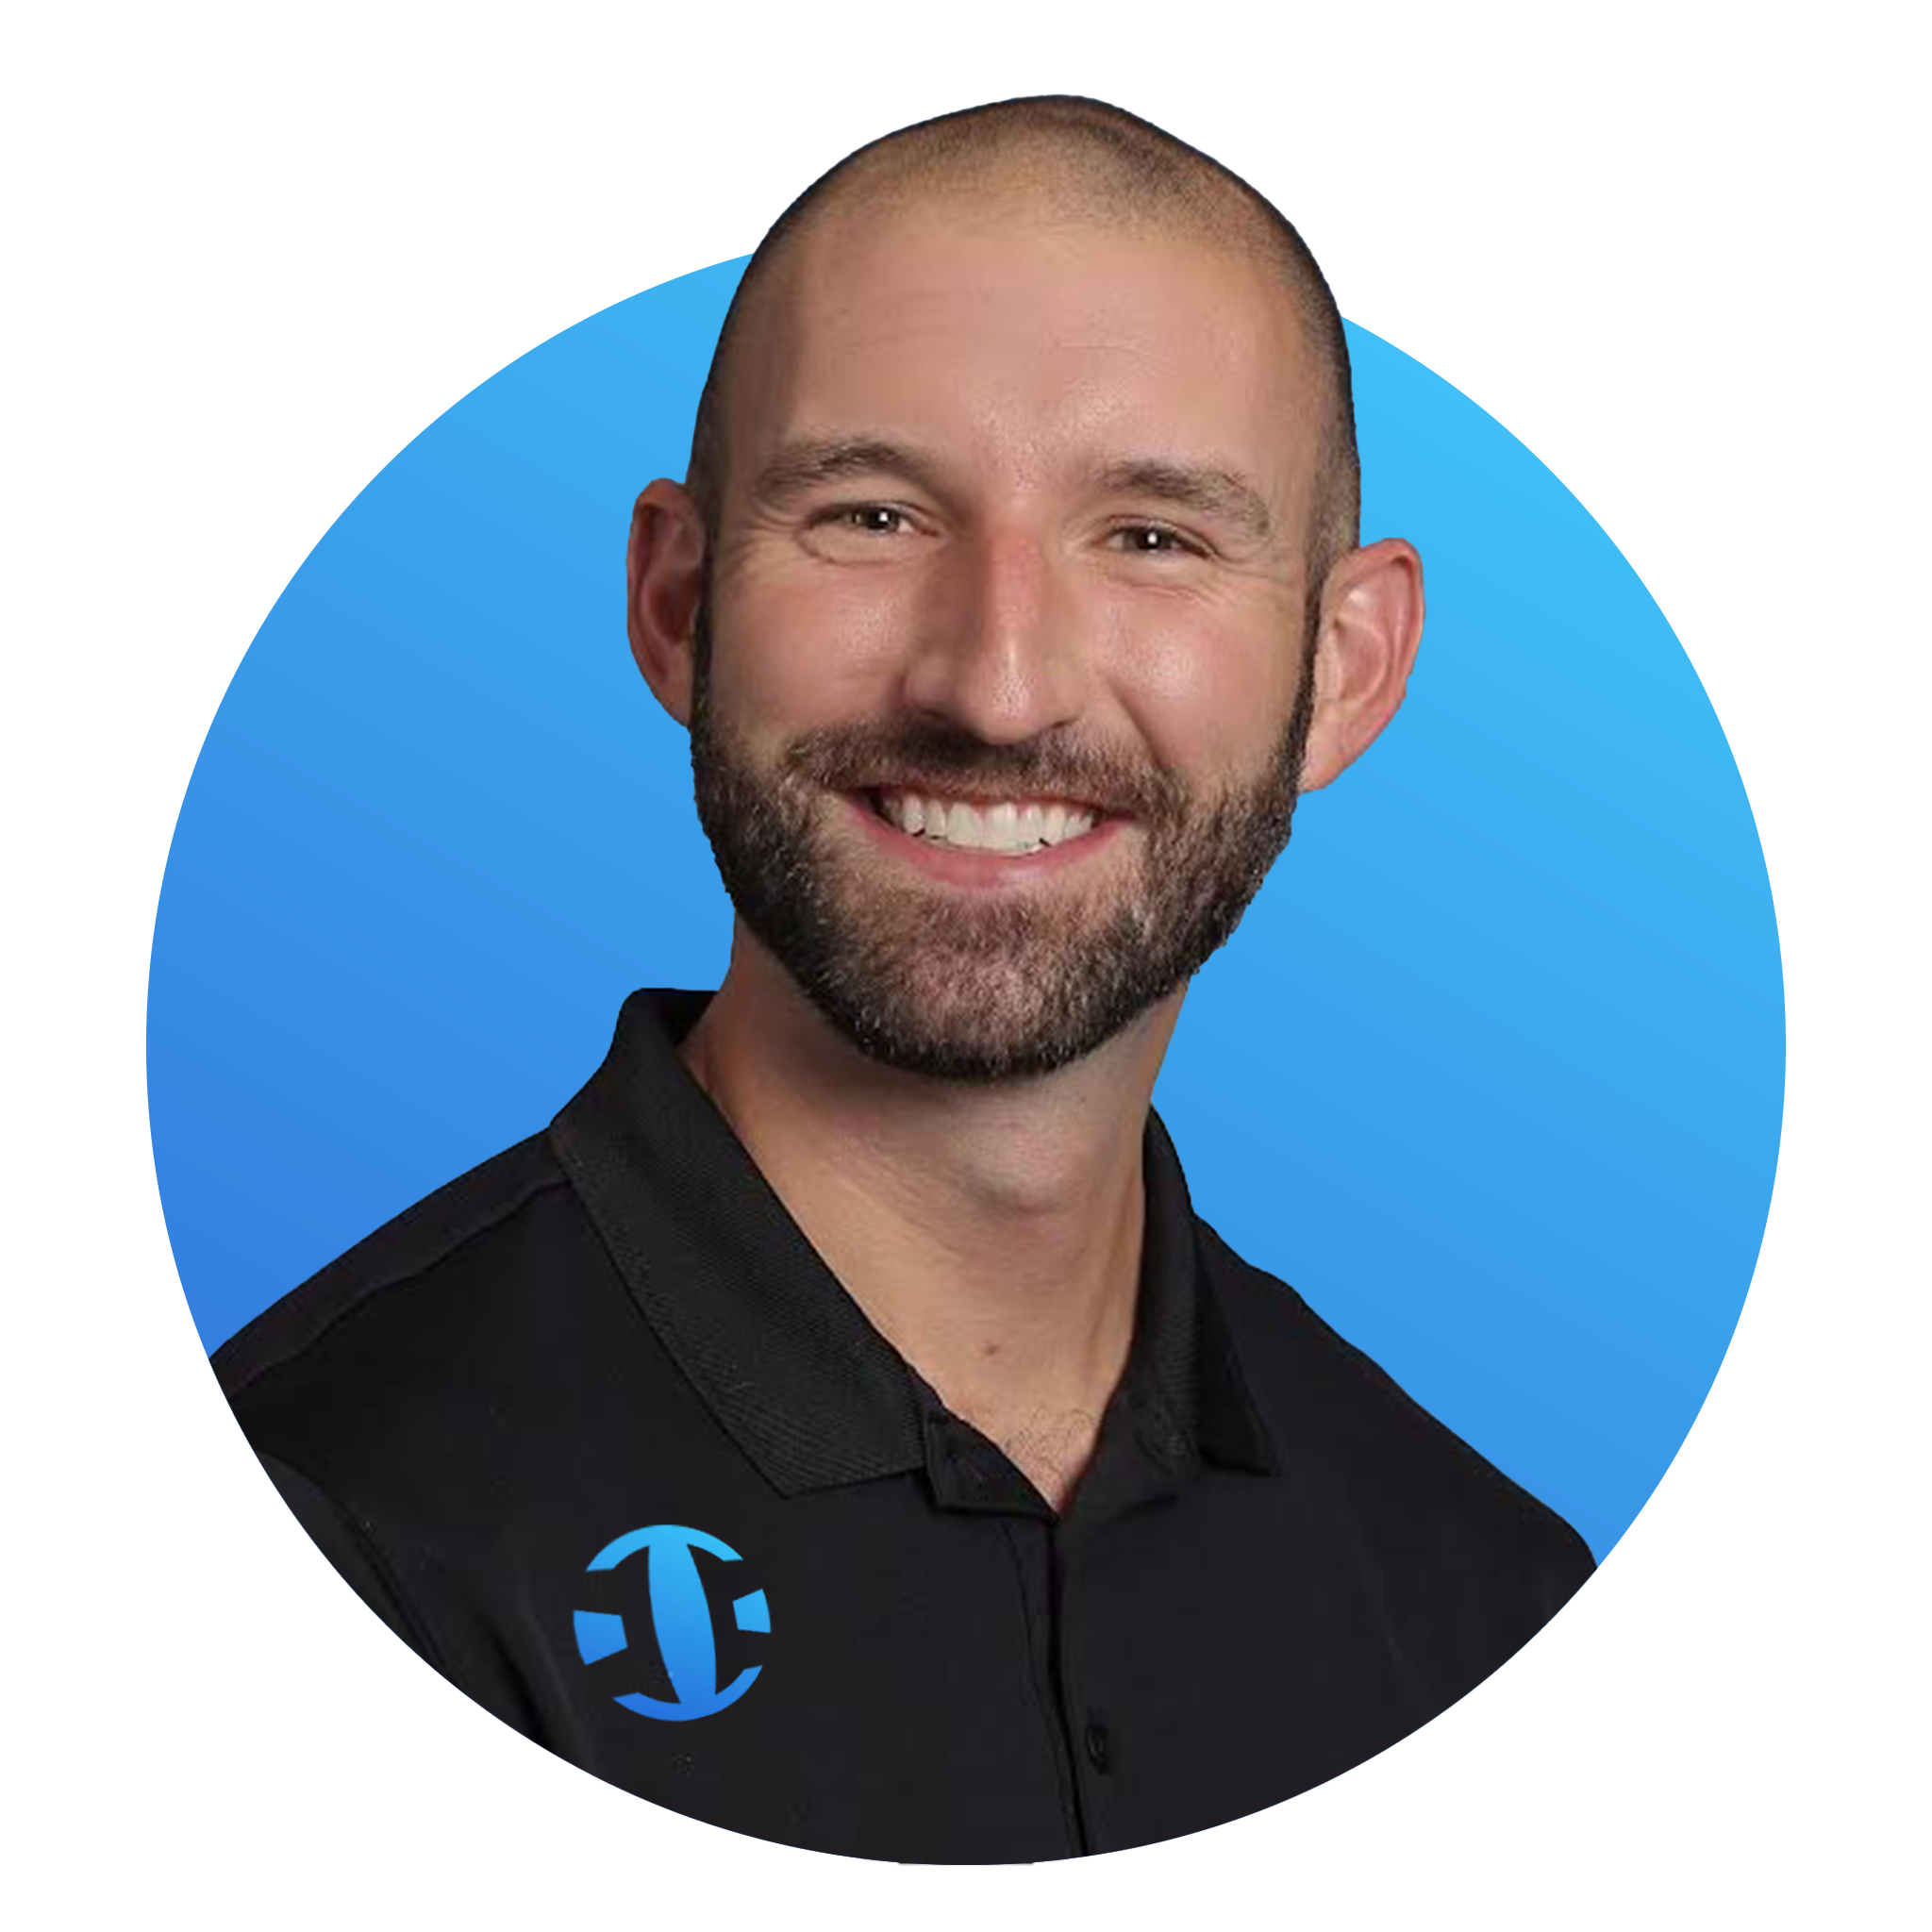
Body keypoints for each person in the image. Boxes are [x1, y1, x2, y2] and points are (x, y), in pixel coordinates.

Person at [213, 95, 1594, 1863]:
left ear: (1345, 670)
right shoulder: (351, 1510)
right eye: (872, 515)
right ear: (676, 606)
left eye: (1156, 536)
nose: (1000, 685)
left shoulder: (1482, 1588)